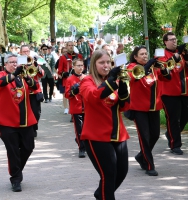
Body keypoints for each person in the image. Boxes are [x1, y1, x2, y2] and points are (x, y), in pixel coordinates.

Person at [80, 50, 130, 200]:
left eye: (108, 62)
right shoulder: (86, 81)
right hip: (96, 136)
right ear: (94, 65)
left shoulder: (114, 81)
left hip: (118, 134)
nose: (106, 65)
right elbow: (94, 97)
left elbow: (124, 108)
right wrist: (111, 81)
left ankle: (100, 194)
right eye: (101, 62)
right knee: (108, 175)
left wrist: (123, 91)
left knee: (121, 172)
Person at [0, 54, 38, 192]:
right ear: (5, 64)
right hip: (7, 122)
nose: (14, 64)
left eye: (16, 62)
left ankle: (17, 169)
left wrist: (27, 77)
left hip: (26, 120)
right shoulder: (0, 75)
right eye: (11, 62)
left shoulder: (23, 75)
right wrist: (14, 75)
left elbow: (35, 86)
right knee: (12, 151)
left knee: (29, 147)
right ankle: (16, 178)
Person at [127, 46, 171, 176]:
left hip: (154, 107)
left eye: (146, 53)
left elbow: (167, 78)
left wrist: (163, 68)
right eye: (142, 54)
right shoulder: (132, 66)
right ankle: (149, 164)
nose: (145, 56)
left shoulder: (153, 68)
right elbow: (133, 78)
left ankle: (141, 156)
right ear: (135, 57)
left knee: (155, 135)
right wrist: (147, 66)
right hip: (139, 108)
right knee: (145, 137)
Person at [158, 32, 188, 155]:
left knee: (185, 116)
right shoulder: (160, 53)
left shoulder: (182, 53)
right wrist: (176, 55)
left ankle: (171, 133)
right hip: (169, 92)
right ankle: (175, 145)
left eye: (175, 39)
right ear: (165, 42)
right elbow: (164, 67)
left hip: (184, 90)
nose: (174, 41)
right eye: (171, 40)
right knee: (173, 119)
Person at [20, 45, 44, 137]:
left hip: (35, 91)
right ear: (21, 53)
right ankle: (28, 129)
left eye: (27, 51)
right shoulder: (18, 62)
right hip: (23, 91)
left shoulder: (35, 61)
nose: (26, 53)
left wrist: (37, 66)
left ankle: (34, 127)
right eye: (24, 51)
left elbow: (41, 74)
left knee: (36, 112)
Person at [65, 58, 86, 158]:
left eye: (82, 65)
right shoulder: (70, 79)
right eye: (78, 65)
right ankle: (81, 148)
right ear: (73, 67)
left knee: (87, 129)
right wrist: (74, 91)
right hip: (76, 107)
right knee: (79, 129)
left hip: (87, 107)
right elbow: (67, 95)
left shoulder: (87, 77)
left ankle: (80, 141)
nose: (81, 67)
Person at [58, 41, 83, 114]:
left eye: (72, 45)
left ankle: (78, 111)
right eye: (69, 45)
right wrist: (64, 73)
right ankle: (71, 111)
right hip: (67, 80)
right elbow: (60, 70)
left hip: (78, 79)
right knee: (70, 96)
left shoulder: (79, 56)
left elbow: (83, 68)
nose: (71, 46)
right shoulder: (62, 57)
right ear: (67, 46)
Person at [55, 47, 69, 114]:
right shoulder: (60, 59)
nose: (65, 53)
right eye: (64, 52)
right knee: (64, 94)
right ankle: (66, 108)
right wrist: (59, 74)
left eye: (66, 51)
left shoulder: (71, 58)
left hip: (70, 77)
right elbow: (57, 68)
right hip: (63, 79)